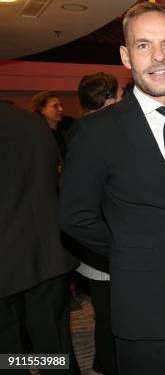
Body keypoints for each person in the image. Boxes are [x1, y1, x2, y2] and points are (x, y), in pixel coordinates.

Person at [59, 2, 165, 375]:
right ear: (125, 56)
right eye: (143, 45)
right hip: (144, 301)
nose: (158, 57)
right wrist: (131, 251)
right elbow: (74, 216)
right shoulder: (96, 131)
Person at [0, 101, 80, 374]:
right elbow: (55, 173)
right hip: (45, 252)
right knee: (54, 346)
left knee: (7, 353)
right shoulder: (31, 121)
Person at [71, 71, 122, 375]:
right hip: (103, 242)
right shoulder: (96, 133)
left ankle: (104, 361)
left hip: (97, 244)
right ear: (108, 98)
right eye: (117, 95)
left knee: (107, 313)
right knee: (109, 315)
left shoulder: (82, 130)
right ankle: (108, 363)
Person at [30, 91, 68, 159]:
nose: (61, 109)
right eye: (55, 106)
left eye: (61, 105)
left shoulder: (64, 132)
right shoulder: (39, 134)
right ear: (42, 110)